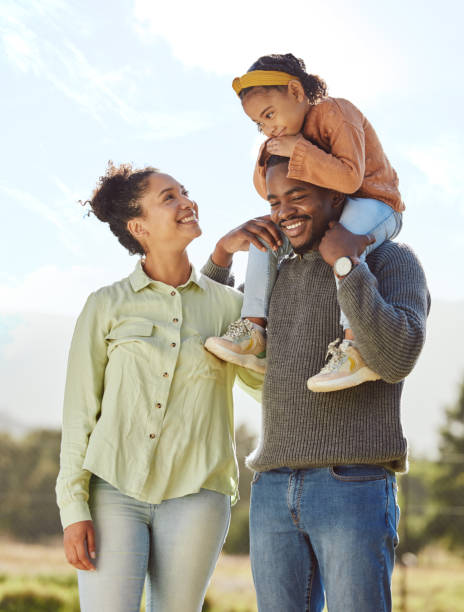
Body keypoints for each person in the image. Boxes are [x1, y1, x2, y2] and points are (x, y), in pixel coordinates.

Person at [202, 154, 430, 611]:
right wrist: (221, 255)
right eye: (274, 201)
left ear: (336, 194)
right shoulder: (274, 273)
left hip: (352, 483)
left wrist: (346, 265)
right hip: (271, 485)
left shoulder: (392, 260)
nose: (285, 210)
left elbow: (398, 356)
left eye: (298, 196)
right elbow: (203, 320)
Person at [55, 162, 266, 612]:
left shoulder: (230, 307)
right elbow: (79, 414)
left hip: (198, 494)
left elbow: (266, 387)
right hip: (113, 490)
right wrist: (74, 509)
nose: (186, 201)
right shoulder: (105, 305)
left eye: (184, 191)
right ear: (139, 227)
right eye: (168, 197)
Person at [205, 53, 404, 392]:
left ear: (296, 93)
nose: (268, 127)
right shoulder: (287, 134)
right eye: (259, 124)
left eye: (269, 115)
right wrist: (269, 151)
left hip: (375, 203)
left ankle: (355, 348)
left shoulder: (335, 112)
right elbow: (266, 189)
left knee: (344, 239)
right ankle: (254, 330)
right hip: (331, 210)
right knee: (265, 233)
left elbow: (350, 179)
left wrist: (299, 149)